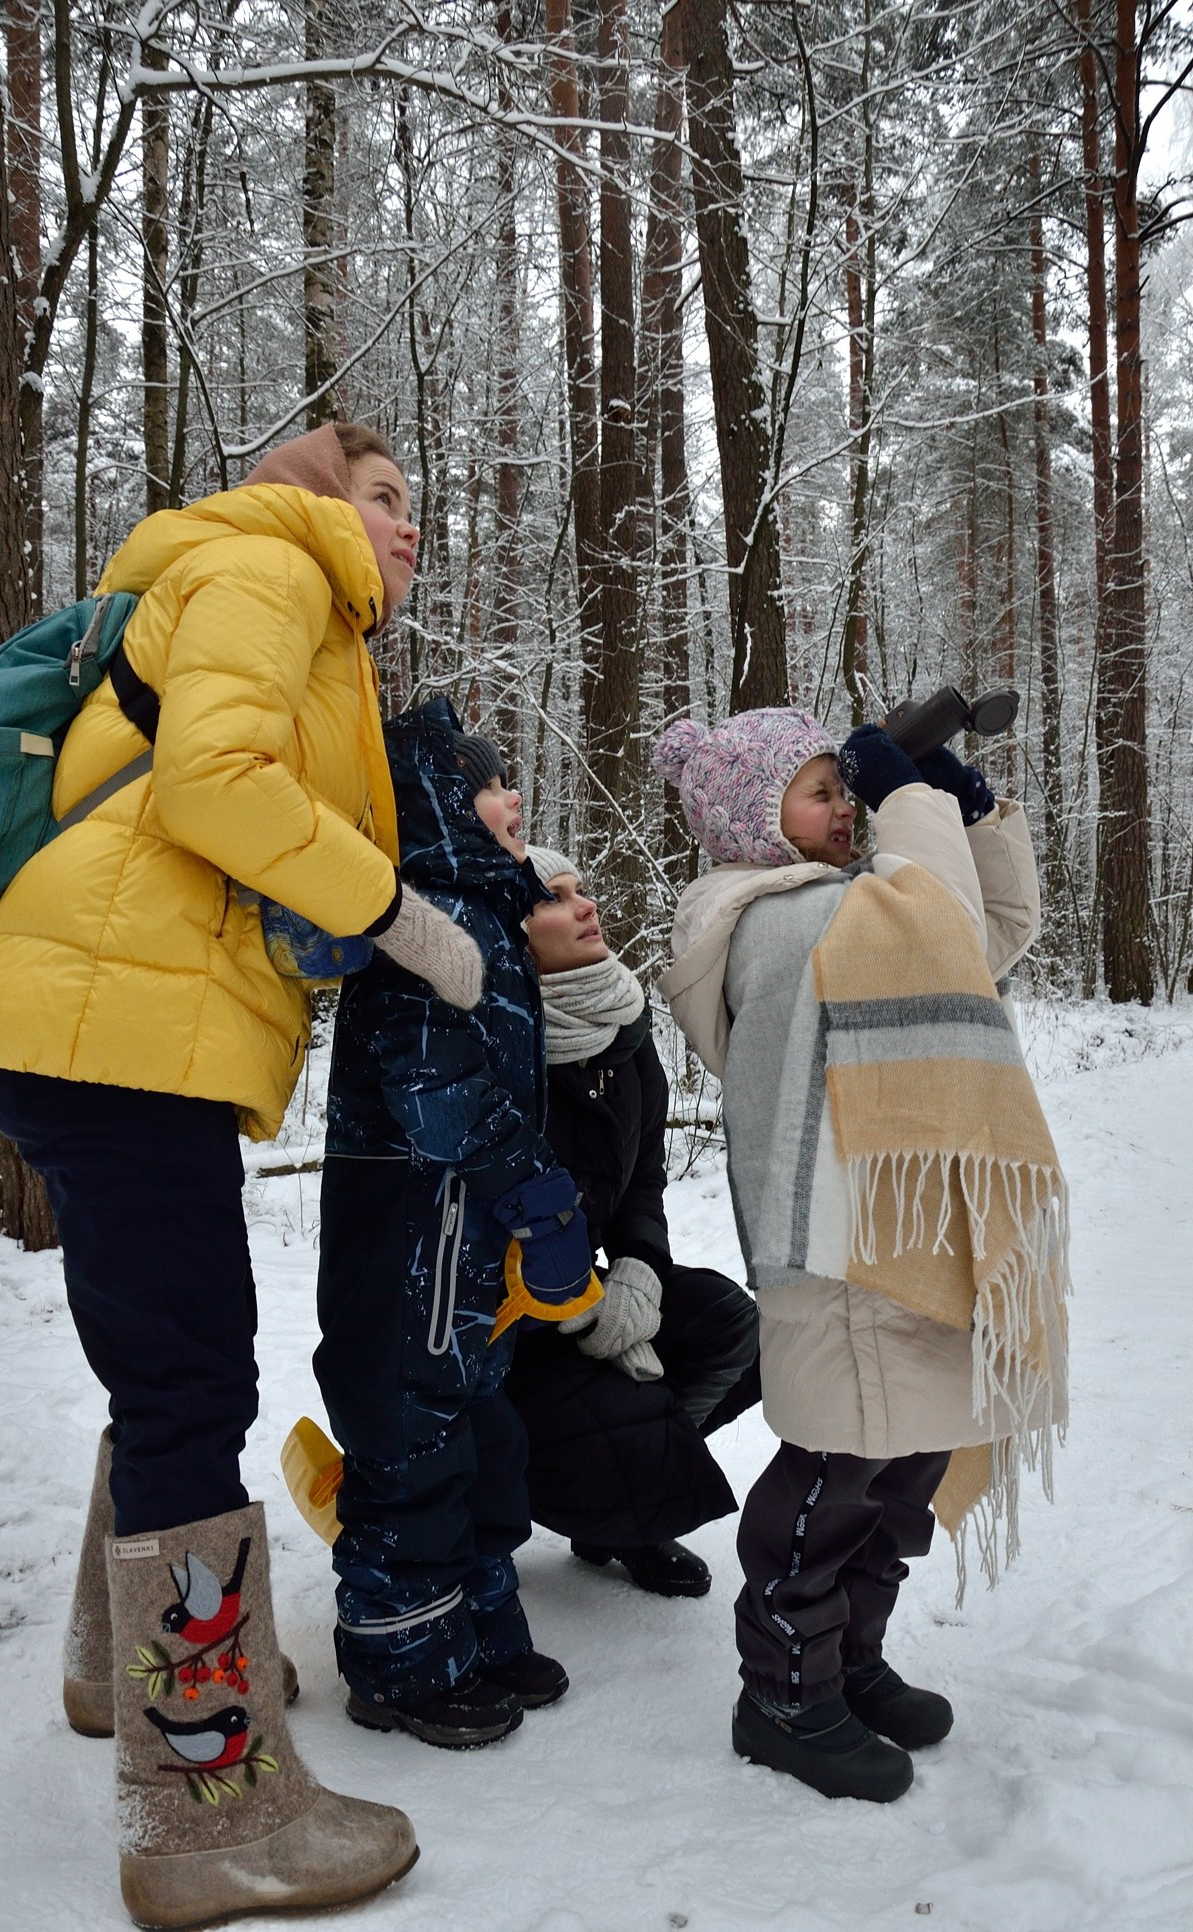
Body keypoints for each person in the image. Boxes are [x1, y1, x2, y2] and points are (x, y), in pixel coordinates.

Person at [0, 422, 491, 1922]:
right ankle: (209, 1813)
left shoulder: (263, 590)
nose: (409, 526)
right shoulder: (269, 568)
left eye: (416, 505)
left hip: (116, 1020)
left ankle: (120, 1671)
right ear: (317, 502)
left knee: (165, 1367)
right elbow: (216, 779)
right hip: (119, 1026)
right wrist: (394, 914)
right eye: (384, 497)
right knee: (190, 1390)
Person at [654, 708, 1068, 1804]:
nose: (846, 809)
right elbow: (933, 920)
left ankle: (849, 1659)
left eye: (847, 790)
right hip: (835, 1243)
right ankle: (783, 1695)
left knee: (907, 1458)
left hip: (901, 1230)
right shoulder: (770, 919)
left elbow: (979, 939)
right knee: (836, 1472)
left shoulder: (852, 907)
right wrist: (908, 801)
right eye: (821, 792)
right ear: (756, 819)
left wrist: (970, 817)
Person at [314, 699, 594, 1749]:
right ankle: (401, 1660)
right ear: (432, 801)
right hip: (408, 1247)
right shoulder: (424, 922)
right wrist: (537, 1191)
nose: (513, 798)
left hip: (463, 1259)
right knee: (412, 1450)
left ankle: (475, 1624)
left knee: (481, 1438)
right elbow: (438, 1093)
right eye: (487, 783)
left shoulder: (485, 918)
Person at [502, 844, 760, 1598]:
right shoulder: (495, 1047)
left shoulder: (624, 1039)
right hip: (509, 1323)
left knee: (734, 1327)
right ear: (510, 929)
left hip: (588, 1293)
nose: (587, 905)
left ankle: (621, 1512)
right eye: (554, 897)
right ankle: (612, 1498)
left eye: (581, 888)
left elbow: (641, 1183)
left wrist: (639, 1275)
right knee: (630, 1406)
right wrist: (582, 1308)